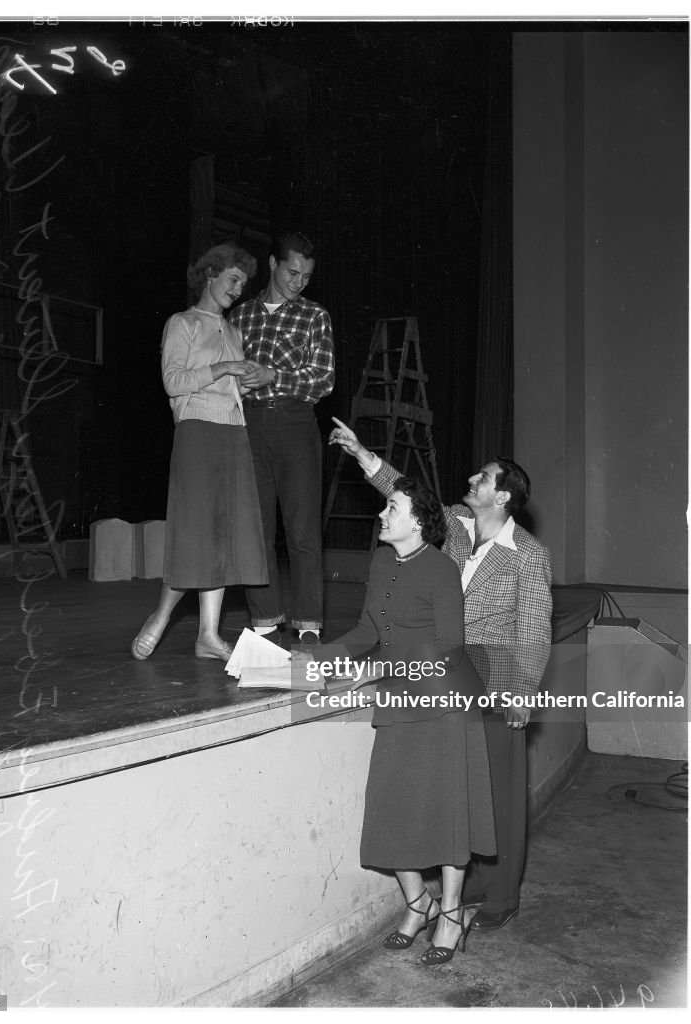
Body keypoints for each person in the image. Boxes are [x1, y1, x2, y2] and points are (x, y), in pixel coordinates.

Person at [328, 418, 553, 930]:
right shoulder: (455, 524)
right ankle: (460, 894)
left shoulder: (531, 557)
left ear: (505, 498)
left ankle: (499, 898)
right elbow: (406, 494)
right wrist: (364, 456)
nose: (473, 479)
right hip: (437, 671)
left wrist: (523, 692)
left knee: (497, 789)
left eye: (485, 477)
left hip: (493, 672)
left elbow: (535, 629)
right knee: (460, 792)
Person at [317, 477, 495, 966]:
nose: (381, 515)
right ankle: (419, 905)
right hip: (400, 701)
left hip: (444, 703)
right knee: (391, 806)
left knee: (446, 811)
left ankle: (451, 913)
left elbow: (448, 645)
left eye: (391, 508)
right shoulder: (379, 562)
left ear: (417, 522)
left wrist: (381, 668)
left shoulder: (440, 570)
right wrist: (313, 660)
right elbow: (367, 630)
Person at [130, 243, 267, 662]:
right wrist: (224, 368)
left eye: (243, 284)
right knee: (194, 534)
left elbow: (230, 386)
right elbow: (173, 382)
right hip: (196, 433)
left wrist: (250, 380)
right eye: (232, 279)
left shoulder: (234, 332)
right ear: (210, 275)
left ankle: (208, 635)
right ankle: (159, 617)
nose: (238, 290)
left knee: (223, 535)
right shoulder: (182, 323)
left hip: (233, 433)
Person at [228, 231, 335, 647]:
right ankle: (265, 621)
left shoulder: (315, 316)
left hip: (295, 424)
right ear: (273, 263)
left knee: (303, 530)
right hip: (248, 425)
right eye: (293, 272)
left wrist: (274, 377)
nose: (299, 282)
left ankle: (309, 623)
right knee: (256, 529)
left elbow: (323, 380)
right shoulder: (238, 317)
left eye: (306, 276)